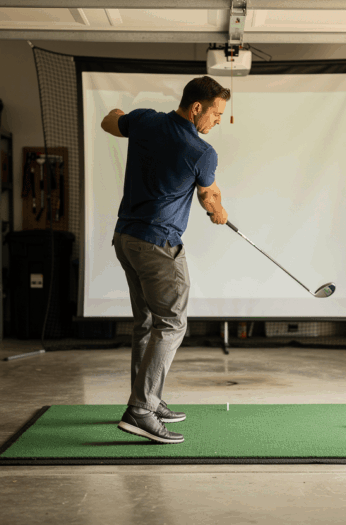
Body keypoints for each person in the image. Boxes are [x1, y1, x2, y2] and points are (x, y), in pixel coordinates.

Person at [100, 76, 230, 444]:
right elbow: (208, 197)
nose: (217, 121)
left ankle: (147, 400)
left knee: (145, 322)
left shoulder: (144, 120)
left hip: (126, 239)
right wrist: (217, 211)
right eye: (216, 114)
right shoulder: (202, 152)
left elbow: (111, 121)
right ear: (196, 108)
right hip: (158, 246)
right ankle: (140, 410)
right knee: (171, 324)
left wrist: (121, 113)